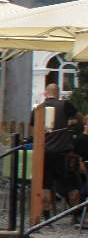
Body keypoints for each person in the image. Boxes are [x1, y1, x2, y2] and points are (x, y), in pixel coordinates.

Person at [40, 83, 81, 212]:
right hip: (63, 153)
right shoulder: (65, 105)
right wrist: (71, 122)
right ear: (58, 93)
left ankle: (46, 216)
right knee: (72, 184)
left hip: (45, 153)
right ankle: (76, 215)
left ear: (46, 93)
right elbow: (80, 118)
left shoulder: (39, 109)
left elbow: (34, 131)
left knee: (45, 185)